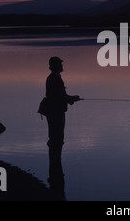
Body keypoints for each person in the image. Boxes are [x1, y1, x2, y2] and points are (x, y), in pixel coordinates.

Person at [45, 56, 80, 196]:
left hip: (54, 111)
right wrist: (72, 99)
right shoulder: (55, 78)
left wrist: (71, 99)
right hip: (56, 112)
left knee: (55, 138)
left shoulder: (53, 77)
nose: (62, 65)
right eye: (60, 63)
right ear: (55, 66)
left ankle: (55, 167)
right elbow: (61, 96)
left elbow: (60, 96)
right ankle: (55, 164)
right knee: (56, 138)